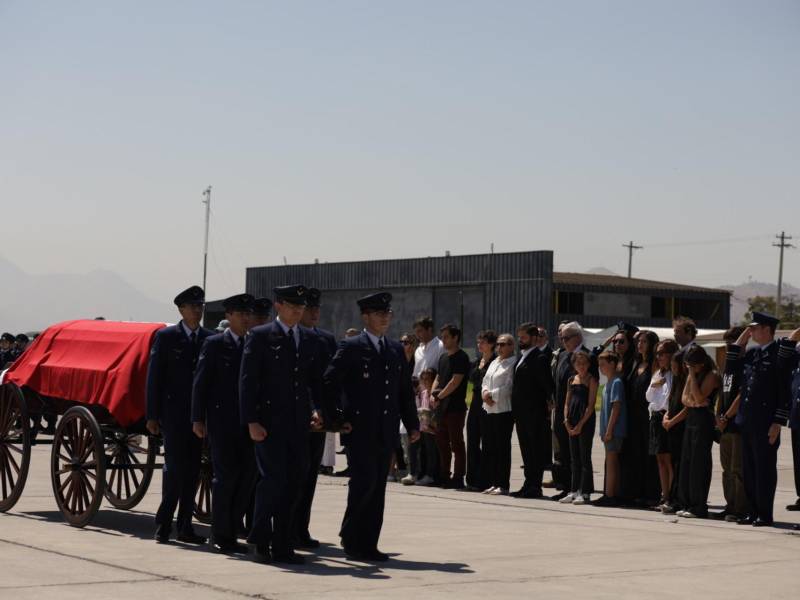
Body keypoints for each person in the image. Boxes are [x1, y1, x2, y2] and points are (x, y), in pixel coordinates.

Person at [323, 292, 420, 562]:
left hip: (385, 430)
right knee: (363, 485)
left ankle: (368, 542)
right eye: (379, 314)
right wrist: (337, 417)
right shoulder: (352, 346)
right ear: (365, 317)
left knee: (378, 487)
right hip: (359, 430)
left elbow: (403, 392)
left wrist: (412, 424)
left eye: (387, 313)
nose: (384, 318)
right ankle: (353, 540)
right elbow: (329, 381)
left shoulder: (394, 349)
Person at [239, 284, 325, 565]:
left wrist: (318, 410)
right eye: (292, 305)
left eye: (301, 306)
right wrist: (251, 420)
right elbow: (248, 381)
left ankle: (284, 543)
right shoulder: (261, 336)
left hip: (298, 425)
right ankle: (261, 539)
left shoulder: (308, 339)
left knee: (295, 482)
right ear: (278, 305)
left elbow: (312, 382)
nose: (299, 310)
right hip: (268, 424)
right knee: (273, 481)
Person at [146, 285, 213, 545]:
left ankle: (185, 526)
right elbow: (155, 378)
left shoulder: (208, 338)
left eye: (200, 306)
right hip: (173, 415)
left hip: (199, 417)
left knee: (193, 471)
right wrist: (152, 415)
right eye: (193, 306)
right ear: (181, 310)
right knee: (174, 470)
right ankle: (164, 524)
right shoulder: (167, 337)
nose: (197, 310)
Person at [191, 293, 256, 554]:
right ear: (228, 316)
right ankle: (219, 534)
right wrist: (197, 417)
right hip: (222, 422)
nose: (245, 318)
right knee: (225, 478)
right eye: (240, 314)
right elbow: (201, 382)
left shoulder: (254, 344)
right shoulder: (215, 344)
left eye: (247, 314)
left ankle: (232, 528)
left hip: (248, 423)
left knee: (247, 479)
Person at [732, 312, 792, 527]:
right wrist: (743, 339)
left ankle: (764, 514)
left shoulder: (779, 355)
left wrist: (778, 421)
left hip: (767, 423)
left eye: (754, 328)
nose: (751, 331)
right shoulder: (753, 353)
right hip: (747, 420)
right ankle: (752, 510)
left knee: (764, 470)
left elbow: (784, 391)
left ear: (767, 329)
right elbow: (731, 366)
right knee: (748, 469)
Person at [294, 288, 339, 550]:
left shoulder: (325, 339)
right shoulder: (290, 338)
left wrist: (334, 414)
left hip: (319, 420)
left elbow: (330, 381)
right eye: (309, 308)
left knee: (310, 476)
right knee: (293, 477)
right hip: (297, 416)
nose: (314, 313)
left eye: (316, 308)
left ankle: (301, 528)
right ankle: (286, 528)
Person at [677, 345, 720, 519]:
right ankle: (686, 502)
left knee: (698, 464)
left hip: (704, 421)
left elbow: (700, 396)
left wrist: (693, 378)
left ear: (700, 364)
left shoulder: (712, 375)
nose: (690, 369)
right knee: (687, 461)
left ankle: (698, 505)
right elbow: (685, 398)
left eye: (692, 366)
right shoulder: (691, 373)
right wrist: (694, 402)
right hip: (693, 418)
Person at [511, 324, 553, 498]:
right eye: (519, 337)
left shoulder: (540, 358)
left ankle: (535, 486)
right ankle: (528, 484)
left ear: (534, 338)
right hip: (521, 413)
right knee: (526, 450)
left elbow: (547, 386)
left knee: (535, 450)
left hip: (534, 413)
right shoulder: (521, 357)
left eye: (524, 337)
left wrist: (547, 406)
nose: (521, 340)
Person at [552, 321, 591, 500]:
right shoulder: (562, 356)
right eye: (561, 338)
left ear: (578, 337)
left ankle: (584, 490)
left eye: (566, 338)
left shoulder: (589, 357)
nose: (563, 341)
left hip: (582, 412)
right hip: (563, 411)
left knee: (581, 455)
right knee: (566, 454)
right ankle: (569, 487)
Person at [621, 329, 660, 507]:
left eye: (644, 342)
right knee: (635, 454)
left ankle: (650, 493)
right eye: (639, 342)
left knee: (649, 456)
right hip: (633, 416)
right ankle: (636, 491)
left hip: (647, 416)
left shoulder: (654, 364)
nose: (640, 344)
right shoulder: (636, 363)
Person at [714, 327, 750, 521]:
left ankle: (740, 508)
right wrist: (718, 416)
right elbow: (723, 393)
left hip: (736, 424)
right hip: (724, 424)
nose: (729, 347)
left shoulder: (746, 364)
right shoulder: (728, 365)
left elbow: (741, 395)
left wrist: (726, 417)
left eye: (732, 343)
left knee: (737, 470)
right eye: (727, 343)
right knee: (726, 469)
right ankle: (730, 506)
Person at [431, 324, 470, 489]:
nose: (444, 340)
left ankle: (458, 477)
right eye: (443, 337)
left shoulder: (462, 357)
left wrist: (439, 396)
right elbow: (438, 377)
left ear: (455, 338)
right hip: (441, 409)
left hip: (455, 409)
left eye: (447, 336)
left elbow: (455, 381)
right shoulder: (443, 357)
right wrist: (433, 393)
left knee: (457, 444)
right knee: (441, 444)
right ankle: (444, 476)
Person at [479, 334, 516, 495]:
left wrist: (491, 395)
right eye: (498, 345)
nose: (499, 348)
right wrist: (485, 393)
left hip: (503, 410)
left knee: (502, 448)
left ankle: (503, 484)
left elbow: (509, 386)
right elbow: (485, 381)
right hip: (489, 409)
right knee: (491, 447)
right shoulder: (495, 361)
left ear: (511, 346)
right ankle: (494, 482)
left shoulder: (513, 363)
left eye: (503, 344)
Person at [560, 350, 597, 505]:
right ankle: (574, 490)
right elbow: (567, 403)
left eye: (584, 363)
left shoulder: (591, 379)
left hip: (585, 420)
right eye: (578, 363)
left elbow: (591, 405)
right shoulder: (571, 380)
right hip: (572, 419)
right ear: (574, 364)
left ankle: (585, 491)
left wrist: (581, 424)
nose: (581, 366)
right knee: (574, 458)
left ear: (588, 364)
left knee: (584, 457)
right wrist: (566, 421)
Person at [646, 339, 679, 511]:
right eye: (657, 354)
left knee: (668, 459)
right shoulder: (658, 373)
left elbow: (670, 399)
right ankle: (664, 495)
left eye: (662, 354)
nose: (658, 357)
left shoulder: (673, 374)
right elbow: (649, 396)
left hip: (667, 416)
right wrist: (656, 384)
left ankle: (671, 497)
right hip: (655, 417)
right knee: (660, 459)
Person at [464, 330, 496, 491]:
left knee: (487, 441)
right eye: (478, 342)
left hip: (487, 403)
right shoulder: (476, 362)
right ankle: (471, 479)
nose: (479, 345)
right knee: (472, 441)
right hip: (474, 404)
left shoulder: (495, 361)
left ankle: (485, 479)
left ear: (491, 344)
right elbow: (470, 383)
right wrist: (467, 402)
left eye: (482, 342)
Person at [593, 351, 626, 507]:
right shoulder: (608, 382)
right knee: (611, 461)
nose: (600, 368)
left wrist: (609, 430)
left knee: (612, 461)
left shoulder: (616, 382)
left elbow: (616, 407)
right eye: (599, 365)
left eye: (603, 364)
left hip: (614, 430)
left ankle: (610, 495)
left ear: (612, 363)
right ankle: (614, 492)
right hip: (608, 429)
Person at [660, 352, 688, 514]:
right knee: (673, 463)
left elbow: (687, 407)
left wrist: (672, 421)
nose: (673, 368)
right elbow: (671, 401)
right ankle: (672, 497)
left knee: (678, 465)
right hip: (671, 426)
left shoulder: (686, 381)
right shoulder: (676, 381)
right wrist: (666, 416)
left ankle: (677, 499)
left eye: (676, 366)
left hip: (680, 426)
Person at [408, 368, 438, 486]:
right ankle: (417, 473)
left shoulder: (434, 394)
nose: (425, 382)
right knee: (417, 449)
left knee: (431, 452)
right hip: (423, 427)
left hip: (432, 428)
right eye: (423, 379)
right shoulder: (423, 393)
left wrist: (432, 426)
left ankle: (430, 475)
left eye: (428, 379)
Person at [782, 327, 800, 513]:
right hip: (797, 414)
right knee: (798, 457)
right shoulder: (796, 353)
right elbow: (784, 355)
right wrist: (794, 335)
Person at [412, 316, 445, 381]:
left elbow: (443, 373)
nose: (417, 335)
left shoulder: (441, 346)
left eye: (420, 331)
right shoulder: (418, 350)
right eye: (416, 332)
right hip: (419, 389)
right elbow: (415, 374)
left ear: (429, 330)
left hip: (434, 389)